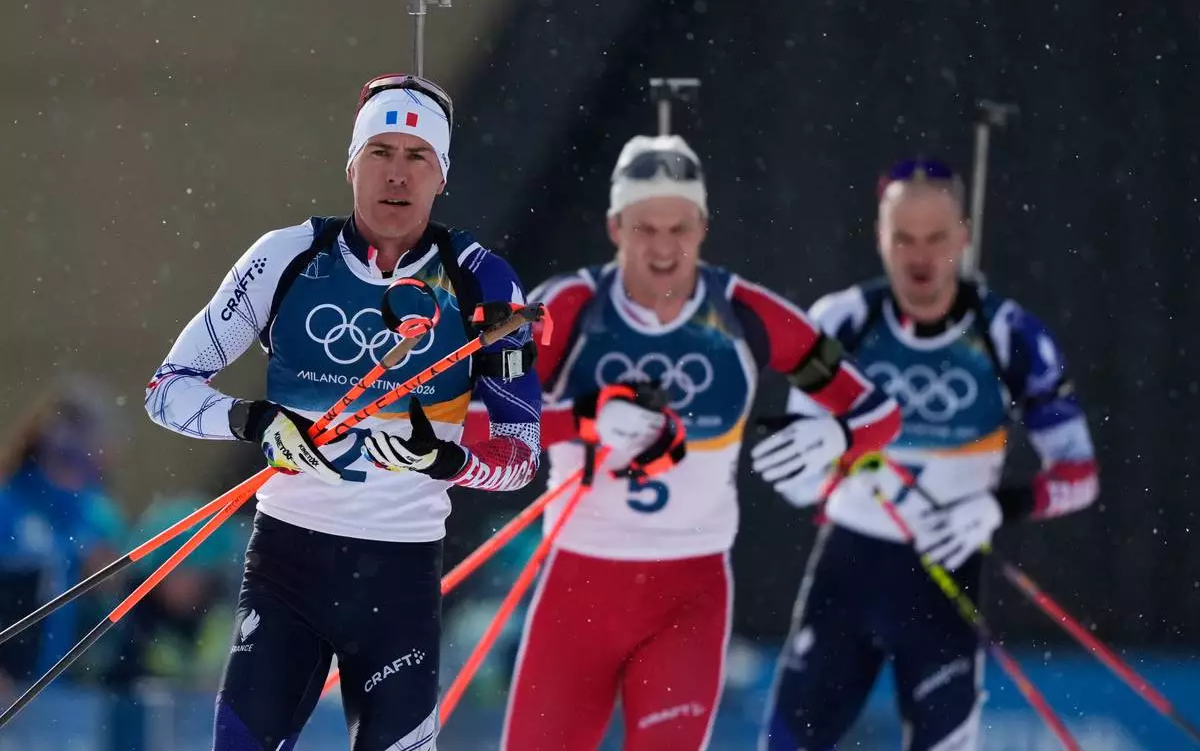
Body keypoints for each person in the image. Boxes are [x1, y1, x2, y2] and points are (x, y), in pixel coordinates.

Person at [144, 72, 543, 751]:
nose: (397, 174)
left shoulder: (484, 282)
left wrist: (449, 461)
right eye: (380, 152)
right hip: (287, 568)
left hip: (401, 582)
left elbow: (522, 456)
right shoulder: (286, 258)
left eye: (418, 157)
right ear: (352, 164)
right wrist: (255, 420)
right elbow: (168, 388)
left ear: (440, 176)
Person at [485, 134, 902, 751]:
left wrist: (837, 437)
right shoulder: (565, 308)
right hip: (577, 590)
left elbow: (881, 413)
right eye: (643, 228)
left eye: (678, 227)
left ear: (703, 226)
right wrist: (583, 419)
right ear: (613, 227)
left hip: (689, 596)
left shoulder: (746, 314)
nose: (661, 248)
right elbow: (473, 424)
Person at [753, 158, 1100, 750]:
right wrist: (828, 461)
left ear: (964, 236)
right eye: (903, 238)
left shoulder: (1010, 336)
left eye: (937, 237)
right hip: (848, 573)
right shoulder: (841, 323)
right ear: (880, 237)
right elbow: (795, 480)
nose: (919, 256)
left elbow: (1080, 475)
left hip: (944, 584)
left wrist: (997, 506)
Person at [0, 378, 125, 693]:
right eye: (67, 458)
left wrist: (105, 582)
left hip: (59, 691)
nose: (77, 474)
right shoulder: (8, 506)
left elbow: (115, 601)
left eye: (88, 462)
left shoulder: (96, 513)